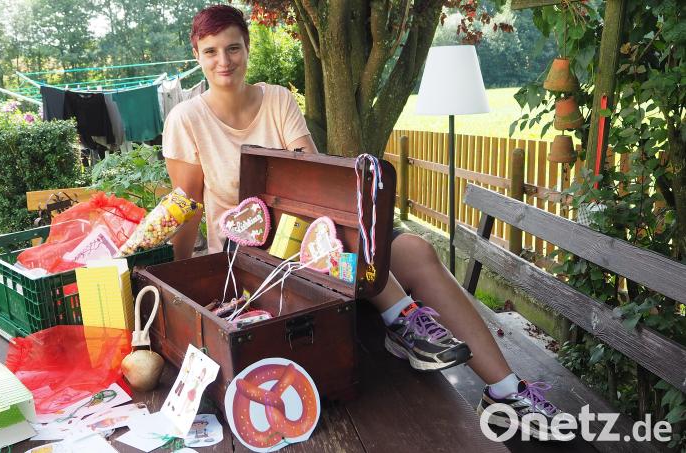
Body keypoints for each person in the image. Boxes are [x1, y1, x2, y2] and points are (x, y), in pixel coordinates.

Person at [162, 4, 562, 436]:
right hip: (251, 258)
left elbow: (312, 182)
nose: (224, 61)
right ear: (197, 55)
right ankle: (402, 319)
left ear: (247, 48)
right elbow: (188, 206)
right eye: (211, 51)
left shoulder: (276, 99)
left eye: (233, 48)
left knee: (416, 249)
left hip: (313, 238)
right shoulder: (187, 119)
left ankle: (505, 390)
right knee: (340, 246)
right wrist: (180, 278)